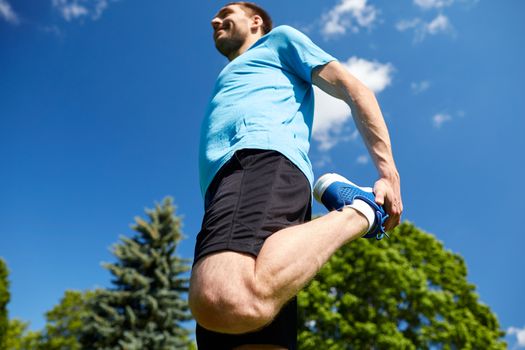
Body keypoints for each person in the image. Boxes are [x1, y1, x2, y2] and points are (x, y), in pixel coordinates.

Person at [189, 2, 403, 349]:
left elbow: (355, 89)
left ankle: (360, 210)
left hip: (258, 162)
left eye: (227, 12)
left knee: (225, 297)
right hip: (227, 190)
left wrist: (388, 174)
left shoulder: (278, 41)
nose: (215, 20)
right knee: (242, 337)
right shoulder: (229, 74)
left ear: (256, 21)